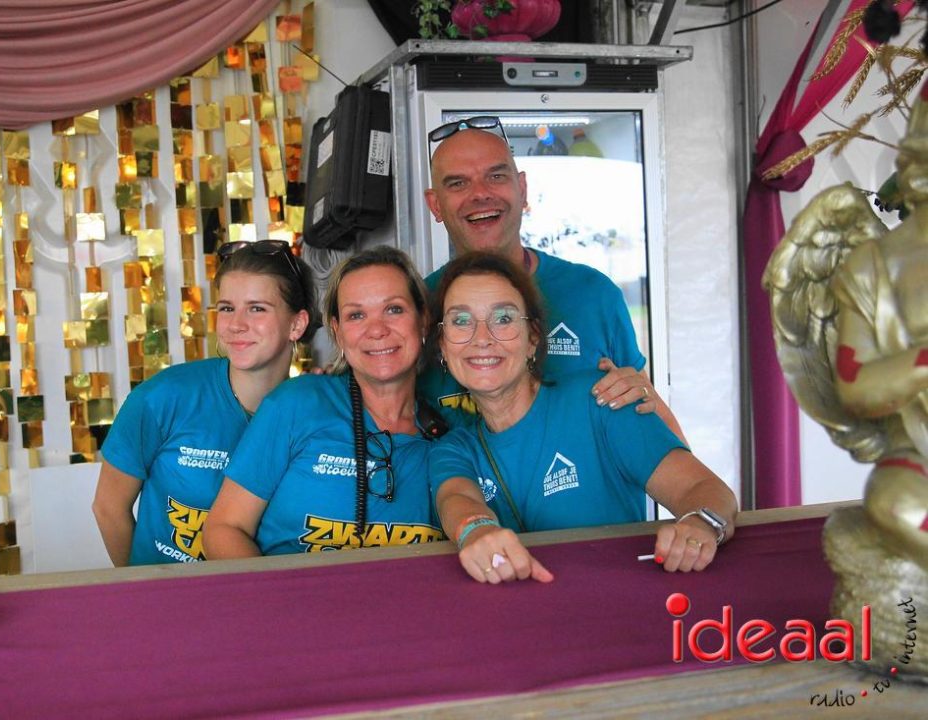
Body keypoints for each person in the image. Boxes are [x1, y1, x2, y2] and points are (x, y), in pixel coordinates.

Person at [428, 252, 737, 583]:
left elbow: (706, 489)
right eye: (461, 321)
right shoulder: (454, 449)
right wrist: (476, 530)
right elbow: (457, 500)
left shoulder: (603, 398)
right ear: (443, 346)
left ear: (533, 338)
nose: (482, 338)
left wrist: (700, 524)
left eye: (503, 318)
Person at [421, 119, 684, 441]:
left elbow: (654, 419)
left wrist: (640, 395)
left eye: (496, 176)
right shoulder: (418, 307)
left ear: (523, 190)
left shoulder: (592, 294)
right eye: (458, 183)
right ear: (435, 205)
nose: (480, 194)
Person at [204, 245, 445, 557]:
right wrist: (274, 592)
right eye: (356, 315)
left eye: (394, 309)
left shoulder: (450, 434)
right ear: (338, 331)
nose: (377, 330)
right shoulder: (297, 404)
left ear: (423, 319)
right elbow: (224, 529)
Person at [91, 240, 316, 566]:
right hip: (169, 593)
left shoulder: (315, 411)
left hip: (261, 592)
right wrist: (142, 585)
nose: (236, 324)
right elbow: (108, 508)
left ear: (297, 324)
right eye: (226, 308)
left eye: (257, 308)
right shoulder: (163, 397)